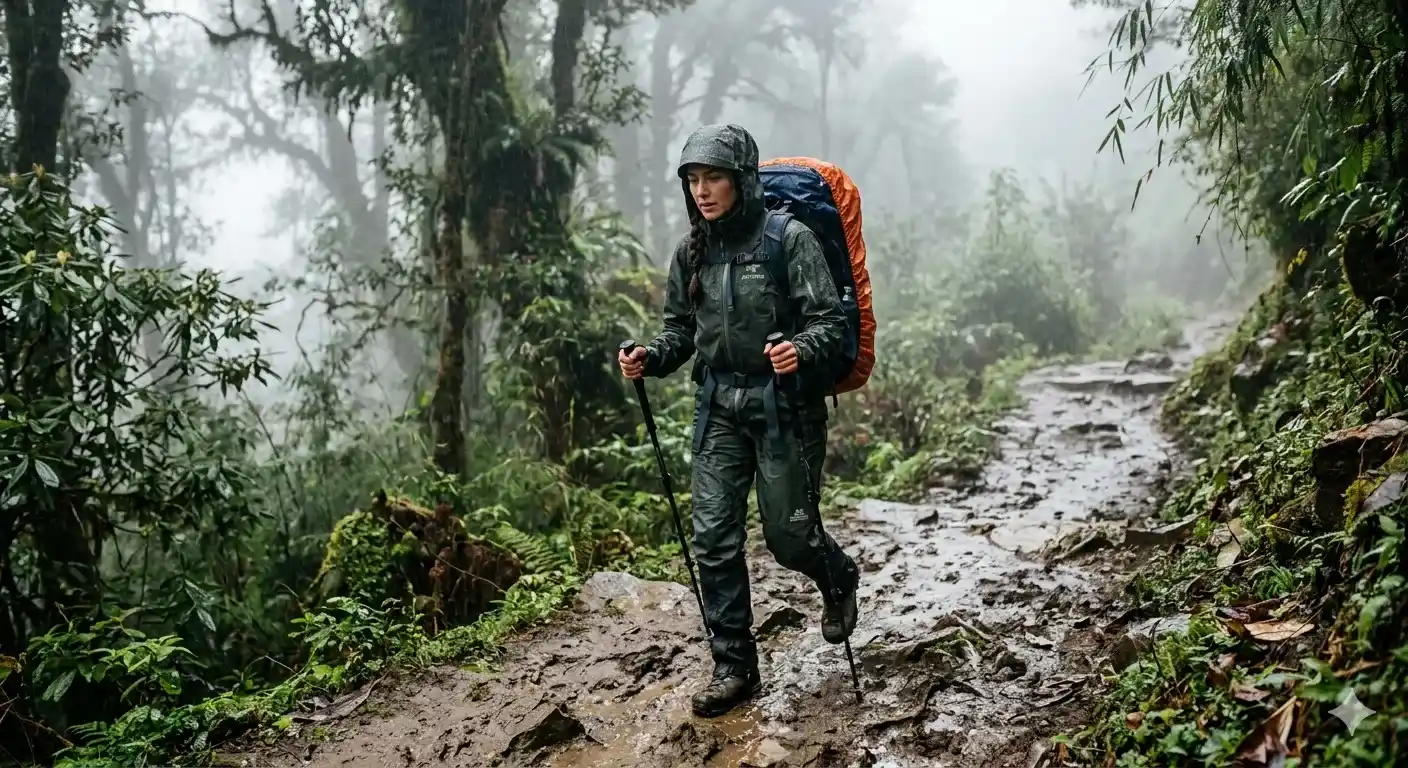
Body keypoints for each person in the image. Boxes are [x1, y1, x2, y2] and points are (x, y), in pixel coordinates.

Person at [618, 123, 861, 718]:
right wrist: (651, 356)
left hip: (785, 408)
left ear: (743, 181)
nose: (702, 191)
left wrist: (799, 350)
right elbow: (681, 332)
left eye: (714, 178)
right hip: (719, 409)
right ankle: (734, 665)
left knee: (788, 537)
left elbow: (831, 323)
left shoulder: (789, 239)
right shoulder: (691, 251)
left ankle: (836, 574)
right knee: (713, 539)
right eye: (693, 180)